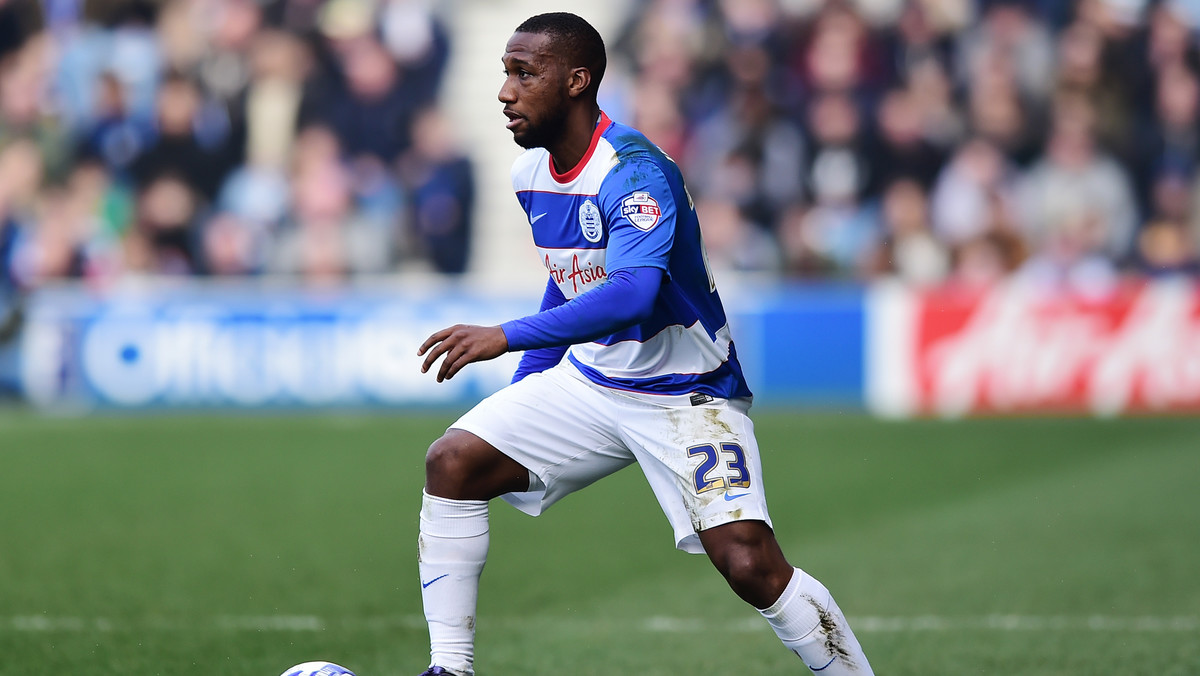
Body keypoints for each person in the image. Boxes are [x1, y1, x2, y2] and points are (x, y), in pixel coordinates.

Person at [414, 13, 874, 676]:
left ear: (578, 81)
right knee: (453, 462)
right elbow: (567, 280)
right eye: (505, 73)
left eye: (524, 73)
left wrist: (504, 337)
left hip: (687, 394)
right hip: (594, 381)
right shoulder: (528, 175)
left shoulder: (635, 172)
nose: (504, 91)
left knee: (748, 561)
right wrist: (528, 392)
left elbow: (630, 294)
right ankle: (449, 671)